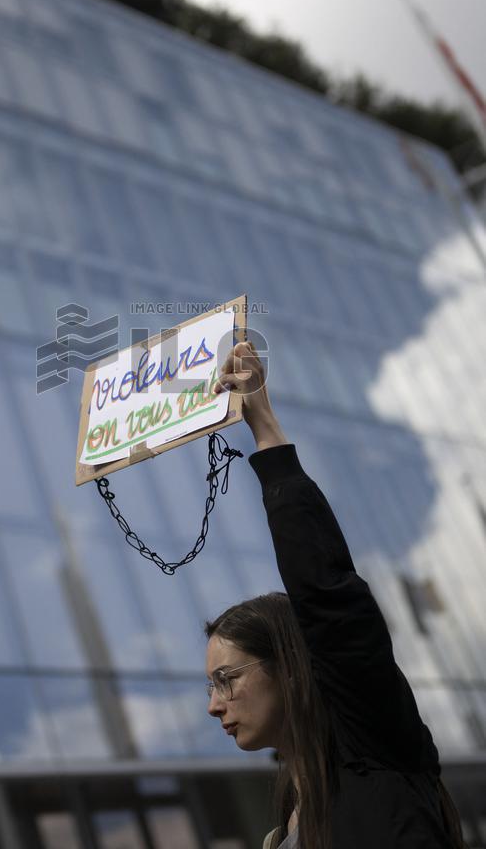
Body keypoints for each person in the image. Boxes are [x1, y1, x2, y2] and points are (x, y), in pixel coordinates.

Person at [207, 341, 464, 849]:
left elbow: (329, 599)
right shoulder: (289, 811)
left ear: (287, 663)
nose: (215, 706)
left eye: (225, 680)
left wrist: (266, 431)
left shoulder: (372, 747)